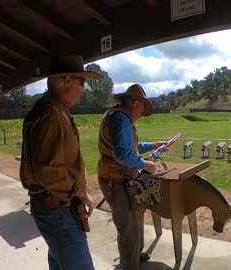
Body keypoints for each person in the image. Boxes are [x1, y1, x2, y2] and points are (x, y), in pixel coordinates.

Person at [20, 55, 102, 270]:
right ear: (68, 81)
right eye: (82, 82)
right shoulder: (52, 114)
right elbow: (47, 171)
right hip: (57, 210)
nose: (84, 88)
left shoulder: (55, 110)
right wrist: (79, 191)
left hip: (57, 207)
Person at [97, 83, 166, 270]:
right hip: (117, 181)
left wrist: (153, 145)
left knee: (133, 224)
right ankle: (130, 266)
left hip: (121, 180)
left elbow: (131, 146)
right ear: (135, 102)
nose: (140, 116)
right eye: (142, 111)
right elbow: (121, 153)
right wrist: (145, 165)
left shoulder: (120, 117)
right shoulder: (121, 119)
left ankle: (134, 256)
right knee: (127, 229)